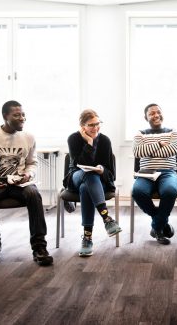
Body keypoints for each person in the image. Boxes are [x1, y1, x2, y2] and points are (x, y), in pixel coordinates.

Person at [0, 100, 53, 266]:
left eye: (23, 114)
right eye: (17, 115)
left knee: (33, 194)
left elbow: (32, 162)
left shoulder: (28, 137)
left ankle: (39, 247)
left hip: (19, 183)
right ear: (5, 117)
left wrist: (28, 174)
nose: (22, 118)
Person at [64, 109, 122, 257]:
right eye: (91, 125)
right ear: (82, 126)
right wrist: (89, 143)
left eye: (98, 123)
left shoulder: (105, 140)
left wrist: (102, 170)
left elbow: (111, 172)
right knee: (86, 175)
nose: (95, 128)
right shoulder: (73, 139)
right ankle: (106, 218)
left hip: (97, 180)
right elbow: (80, 163)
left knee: (86, 187)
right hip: (76, 176)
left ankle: (87, 238)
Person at [132, 103, 177, 245]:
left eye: (158, 112)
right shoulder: (140, 134)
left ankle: (157, 228)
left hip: (168, 172)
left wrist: (149, 150)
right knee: (137, 192)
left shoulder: (173, 132)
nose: (156, 115)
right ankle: (161, 222)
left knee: (170, 191)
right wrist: (159, 144)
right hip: (146, 173)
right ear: (146, 117)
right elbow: (138, 152)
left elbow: (173, 151)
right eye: (152, 113)